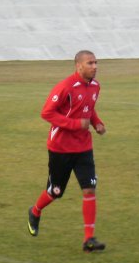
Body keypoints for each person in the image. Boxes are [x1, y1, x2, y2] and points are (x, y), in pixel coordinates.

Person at [27, 50, 106, 252]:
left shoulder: (96, 87)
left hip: (83, 147)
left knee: (89, 189)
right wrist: (74, 124)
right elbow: (46, 112)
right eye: (90, 63)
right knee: (55, 191)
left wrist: (96, 123)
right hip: (60, 147)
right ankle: (35, 211)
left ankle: (89, 239)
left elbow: (89, 108)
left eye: (96, 62)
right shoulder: (65, 87)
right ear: (78, 65)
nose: (95, 66)